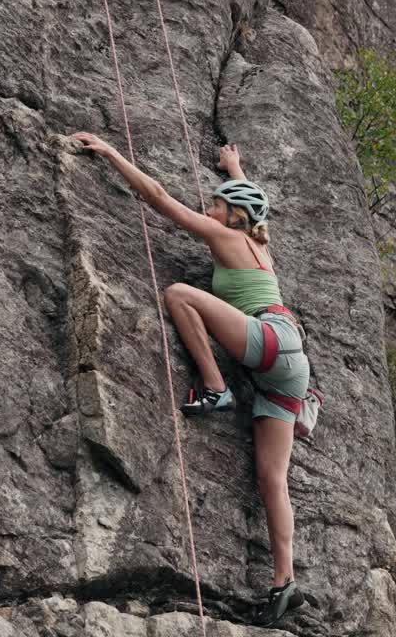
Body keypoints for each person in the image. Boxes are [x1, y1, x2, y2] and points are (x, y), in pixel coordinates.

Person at [72, 132, 308, 626]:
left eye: (217, 204)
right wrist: (234, 169)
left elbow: (160, 199)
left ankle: (216, 387)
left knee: (179, 294)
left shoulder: (227, 237)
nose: (209, 207)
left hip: (268, 340)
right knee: (272, 480)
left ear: (234, 216)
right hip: (288, 364)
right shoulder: (257, 244)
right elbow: (254, 203)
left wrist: (111, 153)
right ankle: (284, 583)